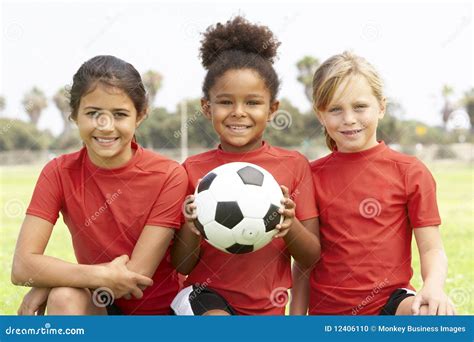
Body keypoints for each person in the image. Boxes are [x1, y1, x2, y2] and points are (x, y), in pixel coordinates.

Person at [12, 55, 188, 315]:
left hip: (161, 314)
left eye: (119, 114)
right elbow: (23, 266)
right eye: (93, 113)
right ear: (74, 115)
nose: (105, 126)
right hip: (102, 305)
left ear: (140, 116)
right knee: (64, 297)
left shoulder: (168, 174)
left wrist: (51, 279)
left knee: (61, 289)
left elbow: (134, 277)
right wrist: (61, 282)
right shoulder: (59, 171)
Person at [170, 16, 320, 315]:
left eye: (252, 103)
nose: (238, 113)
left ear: (272, 108)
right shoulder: (191, 169)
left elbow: (311, 257)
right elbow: (182, 264)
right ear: (206, 107)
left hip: (268, 308)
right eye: (226, 102)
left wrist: (288, 226)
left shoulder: (294, 165)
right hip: (204, 298)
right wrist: (190, 226)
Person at [308, 51, 455, 315]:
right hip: (327, 314)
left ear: (382, 107)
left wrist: (433, 286)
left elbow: (432, 248)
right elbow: (304, 261)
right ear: (321, 115)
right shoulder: (309, 176)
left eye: (360, 107)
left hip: (391, 304)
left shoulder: (410, 171)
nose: (349, 118)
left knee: (434, 316)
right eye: (335, 109)